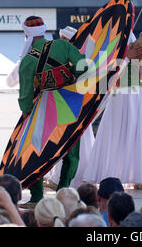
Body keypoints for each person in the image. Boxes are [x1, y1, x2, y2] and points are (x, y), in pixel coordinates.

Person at [16, 16, 88, 207]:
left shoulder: (28, 60)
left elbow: (25, 95)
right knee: (71, 152)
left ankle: (37, 197)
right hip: (70, 103)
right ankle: (63, 193)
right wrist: (72, 81)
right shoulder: (63, 46)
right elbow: (84, 66)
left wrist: (26, 112)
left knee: (36, 151)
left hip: (44, 108)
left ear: (26, 34)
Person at [84, 32, 142, 190]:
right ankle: (111, 176)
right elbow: (111, 74)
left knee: (136, 134)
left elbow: (140, 77)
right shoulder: (114, 53)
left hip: (136, 96)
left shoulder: (132, 56)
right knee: (117, 134)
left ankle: (137, 177)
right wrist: (127, 57)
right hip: (120, 97)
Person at [45, 26, 95, 190]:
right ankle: (60, 178)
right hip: (67, 105)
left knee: (71, 144)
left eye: (64, 40)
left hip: (73, 106)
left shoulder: (78, 60)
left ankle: (66, 179)